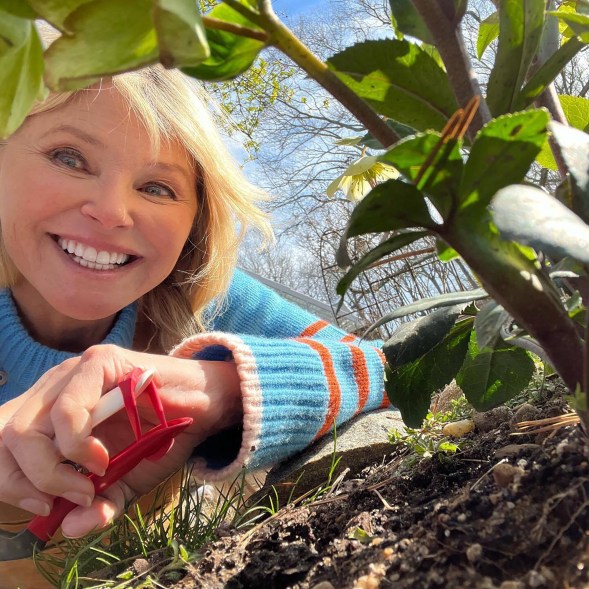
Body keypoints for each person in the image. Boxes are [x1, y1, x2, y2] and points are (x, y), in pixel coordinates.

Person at [0, 63, 388, 586]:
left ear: (196, 224)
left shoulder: (202, 297)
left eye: (158, 188)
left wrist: (218, 389)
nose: (113, 211)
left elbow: (383, 367)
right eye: (68, 158)